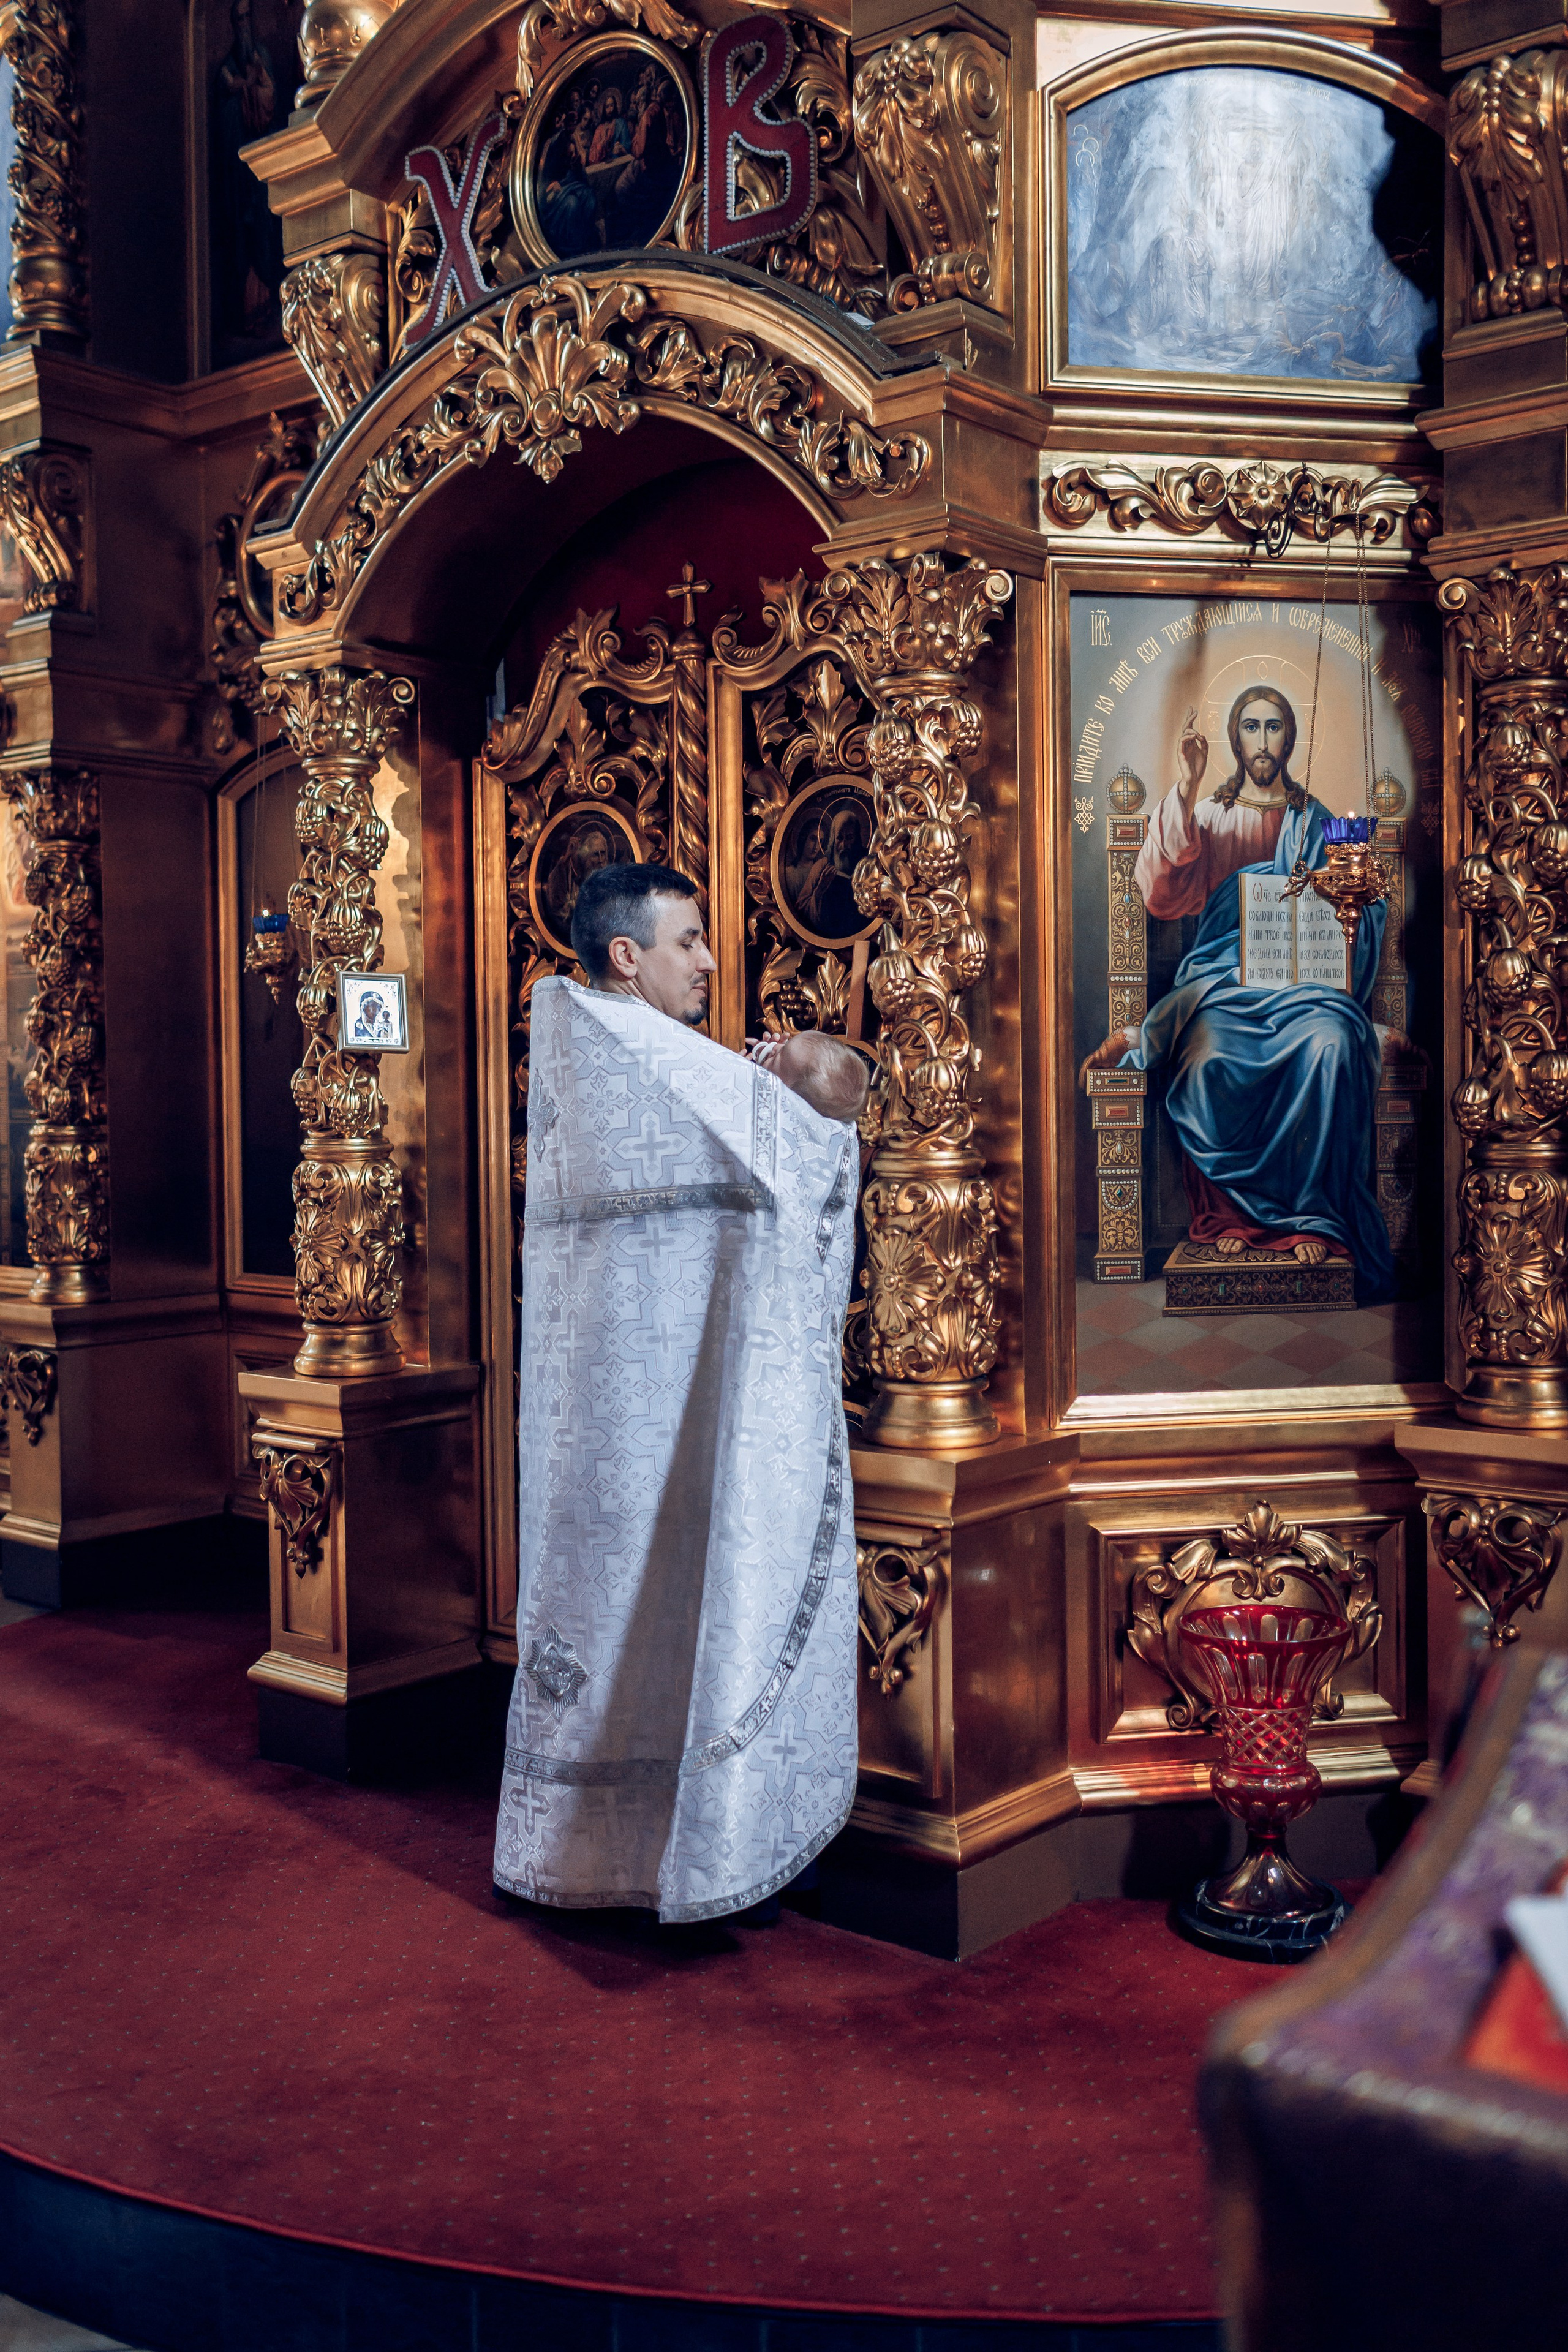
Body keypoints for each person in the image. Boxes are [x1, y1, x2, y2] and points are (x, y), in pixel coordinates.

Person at [493, 863, 860, 1923]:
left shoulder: (601, 1047)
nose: (708, 961)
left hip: (619, 1419)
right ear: (627, 956)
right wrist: (789, 1075)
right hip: (662, 1417)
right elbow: (837, 1115)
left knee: (626, 1618)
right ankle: (692, 1851)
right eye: (688, 941)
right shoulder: (647, 1054)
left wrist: (773, 1076)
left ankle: (583, 1854)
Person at [1079, 686, 1396, 1293]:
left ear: (1290, 738)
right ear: (1235, 738)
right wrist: (1189, 783)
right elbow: (1161, 894)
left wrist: (1354, 899)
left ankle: (1311, 1217)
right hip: (1223, 980)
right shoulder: (1209, 814)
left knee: (1331, 1044)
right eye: (1251, 727)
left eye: (1274, 727)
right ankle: (1231, 1217)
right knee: (1208, 1060)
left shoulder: (1315, 820)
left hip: (1302, 983)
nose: (1263, 741)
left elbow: (1357, 909)